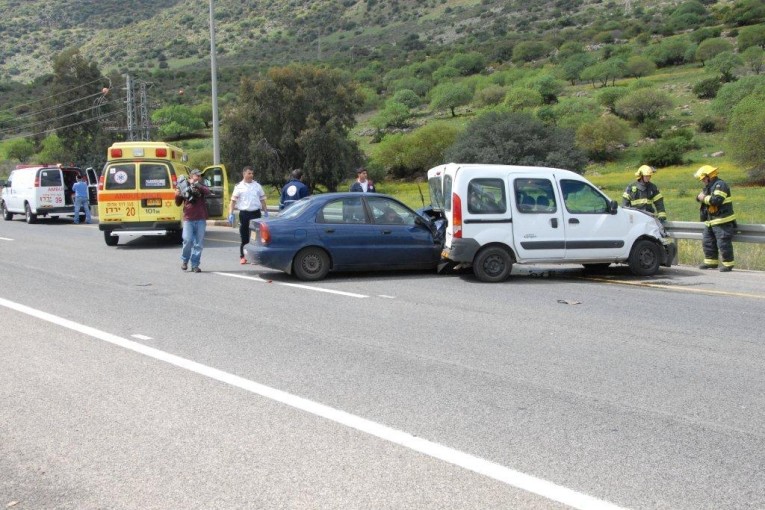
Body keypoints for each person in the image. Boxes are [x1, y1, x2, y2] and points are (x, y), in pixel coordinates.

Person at [695, 165, 736, 272]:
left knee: (723, 243)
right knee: (708, 242)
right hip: (710, 221)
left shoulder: (720, 185)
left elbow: (717, 200)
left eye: (703, 179)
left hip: (722, 221)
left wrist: (703, 198)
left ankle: (728, 264)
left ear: (709, 176)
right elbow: (699, 197)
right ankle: (711, 263)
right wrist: (700, 197)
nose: (703, 181)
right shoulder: (709, 186)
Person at [228, 166, 268, 265]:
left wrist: (266, 212)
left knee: (255, 237)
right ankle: (242, 256)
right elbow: (232, 202)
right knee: (245, 236)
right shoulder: (239, 186)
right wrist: (230, 213)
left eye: (252, 173)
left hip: (256, 213)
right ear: (244, 174)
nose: (251, 175)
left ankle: (254, 258)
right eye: (249, 173)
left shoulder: (257, 186)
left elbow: (262, 200)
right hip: (244, 214)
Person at [175, 169, 210, 273]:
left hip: (200, 218)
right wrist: (178, 194)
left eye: (200, 176)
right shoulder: (183, 185)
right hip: (188, 219)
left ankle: (195, 265)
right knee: (187, 240)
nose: (199, 177)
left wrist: (197, 185)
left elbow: (208, 192)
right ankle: (185, 260)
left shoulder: (202, 186)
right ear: (191, 176)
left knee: (198, 244)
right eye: (197, 176)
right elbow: (178, 202)